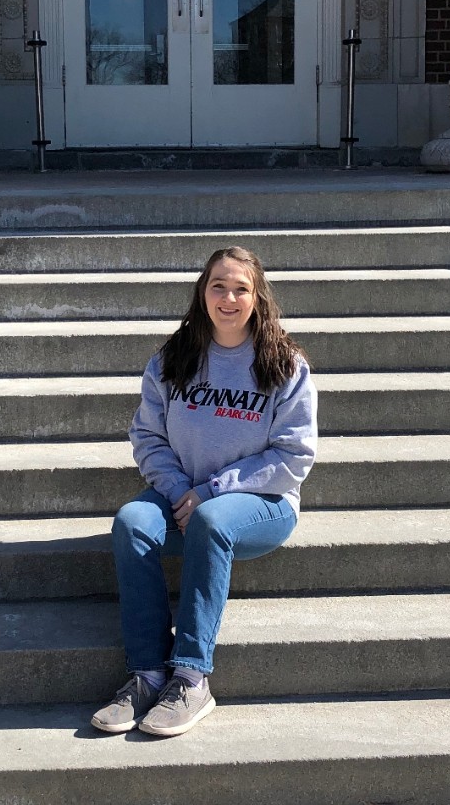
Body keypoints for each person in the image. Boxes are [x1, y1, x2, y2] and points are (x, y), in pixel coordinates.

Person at [91, 245, 317, 738]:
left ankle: (192, 677)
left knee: (214, 521)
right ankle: (148, 674)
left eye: (241, 288)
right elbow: (147, 437)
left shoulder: (285, 365)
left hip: (263, 504)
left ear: (258, 297)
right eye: (219, 285)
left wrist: (211, 491)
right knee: (132, 522)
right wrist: (177, 490)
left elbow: (293, 457)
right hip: (180, 495)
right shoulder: (173, 359)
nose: (229, 298)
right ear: (203, 292)